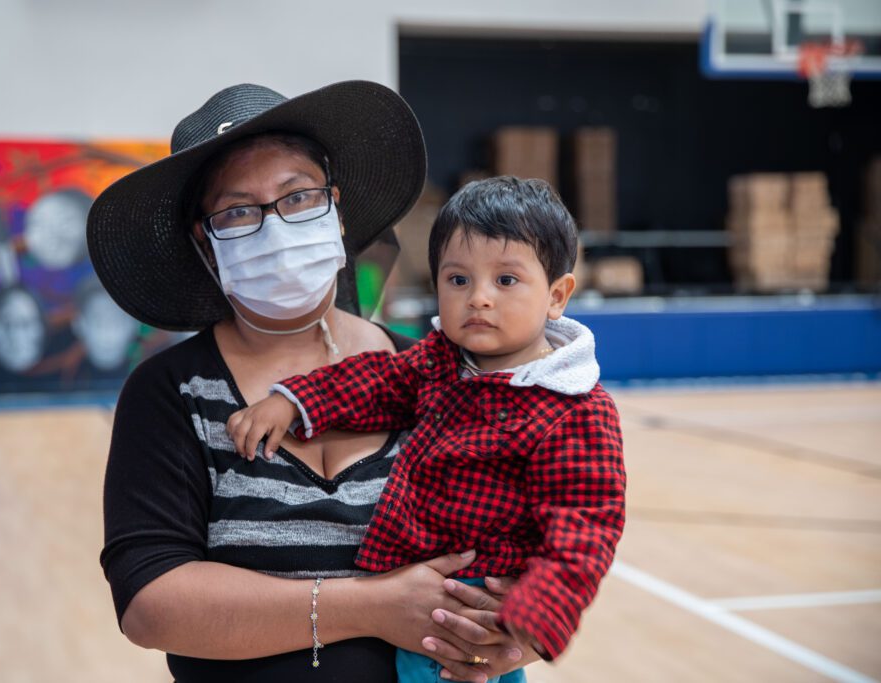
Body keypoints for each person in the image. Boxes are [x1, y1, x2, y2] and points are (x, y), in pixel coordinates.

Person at [91, 81, 542, 683]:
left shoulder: (445, 375)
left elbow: (533, 550)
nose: (275, 227)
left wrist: (518, 632)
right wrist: (373, 608)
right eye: (238, 210)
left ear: (335, 205)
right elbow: (152, 604)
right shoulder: (172, 392)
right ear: (206, 241)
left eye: (297, 196)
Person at [227, 176, 627, 682]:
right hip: (413, 585)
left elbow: (586, 522)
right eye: (458, 279)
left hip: (481, 599)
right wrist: (295, 400)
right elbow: (373, 382)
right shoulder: (439, 362)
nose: (478, 298)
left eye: (506, 280)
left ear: (556, 295)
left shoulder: (574, 407)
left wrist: (538, 613)